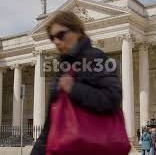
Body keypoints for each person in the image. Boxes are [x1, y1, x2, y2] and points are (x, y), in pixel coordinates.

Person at [30, 11, 122, 155]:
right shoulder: (63, 68)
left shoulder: (95, 57)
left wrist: (74, 88)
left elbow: (113, 98)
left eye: (61, 35)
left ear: (77, 31)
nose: (56, 41)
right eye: (52, 37)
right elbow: (50, 126)